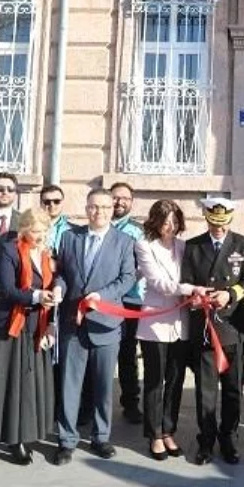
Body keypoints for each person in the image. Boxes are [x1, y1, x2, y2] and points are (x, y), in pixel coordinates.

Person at [53, 188, 136, 464]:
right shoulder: (69, 237)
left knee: (103, 386)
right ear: (86, 209)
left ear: (112, 210)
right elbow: (63, 273)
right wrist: (58, 288)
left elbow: (127, 278)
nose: (98, 212)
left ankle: (101, 437)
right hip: (72, 323)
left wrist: (102, 297)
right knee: (69, 384)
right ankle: (66, 439)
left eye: (104, 207)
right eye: (93, 207)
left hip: (106, 324)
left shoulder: (123, 241)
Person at [0, 209, 60, 465]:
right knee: (13, 382)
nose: (39, 236)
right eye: (35, 231)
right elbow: (8, 289)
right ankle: (13, 439)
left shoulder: (46, 253)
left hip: (37, 324)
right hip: (13, 324)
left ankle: (29, 430)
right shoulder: (11, 251)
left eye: (43, 231)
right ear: (23, 229)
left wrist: (56, 292)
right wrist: (36, 296)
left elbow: (56, 281)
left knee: (33, 382)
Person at [181, 197, 244, 466]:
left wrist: (230, 294)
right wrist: (196, 296)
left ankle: (229, 439)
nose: (218, 228)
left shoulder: (243, 244)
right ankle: (206, 440)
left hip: (233, 327)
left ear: (230, 220)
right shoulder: (193, 246)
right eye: (213, 222)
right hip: (205, 328)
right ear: (206, 219)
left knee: (233, 389)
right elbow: (186, 283)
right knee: (206, 390)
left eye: (223, 223)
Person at [135, 200, 202, 461]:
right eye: (165, 222)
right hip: (155, 322)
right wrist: (190, 289)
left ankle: (168, 430)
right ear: (155, 222)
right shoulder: (144, 246)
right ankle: (154, 433)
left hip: (181, 322)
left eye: (174, 222)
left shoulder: (184, 246)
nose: (170, 227)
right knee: (155, 380)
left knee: (175, 380)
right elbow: (158, 282)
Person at [110, 181, 144, 425]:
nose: (120, 202)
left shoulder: (138, 231)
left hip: (130, 299)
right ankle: (89, 402)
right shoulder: (96, 225)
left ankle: (130, 402)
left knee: (127, 352)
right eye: (115, 197)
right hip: (101, 299)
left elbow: (142, 266)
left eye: (125, 198)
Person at [39, 184, 75, 253]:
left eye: (56, 201)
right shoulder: (30, 230)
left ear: (62, 203)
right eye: (47, 202)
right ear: (41, 203)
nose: (52, 205)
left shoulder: (74, 231)